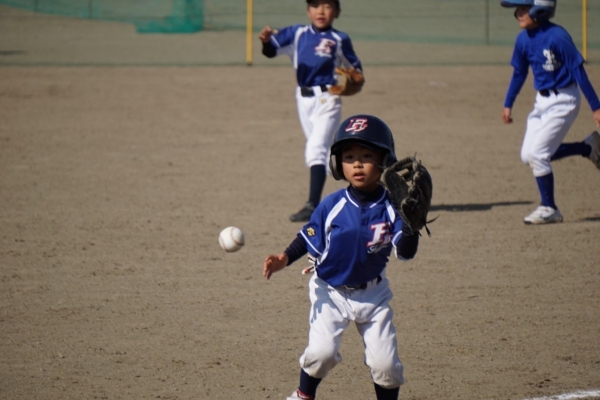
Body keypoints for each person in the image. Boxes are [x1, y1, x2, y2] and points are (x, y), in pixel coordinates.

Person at [262, 115, 420, 400]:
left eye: (366, 156)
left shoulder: (393, 207)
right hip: (330, 290)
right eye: (349, 157)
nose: (357, 164)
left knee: (386, 366)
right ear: (338, 164)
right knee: (321, 354)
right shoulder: (332, 204)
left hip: (373, 295)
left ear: (385, 160)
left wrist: (411, 226)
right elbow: (308, 236)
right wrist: (284, 258)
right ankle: (303, 395)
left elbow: (406, 253)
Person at [258, 0, 364, 222]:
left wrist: (356, 77)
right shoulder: (297, 34)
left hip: (328, 99)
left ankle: (312, 205)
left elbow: (356, 71)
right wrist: (266, 42)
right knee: (326, 158)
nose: (321, 11)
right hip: (303, 100)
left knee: (315, 150)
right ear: (308, 11)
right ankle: (374, 188)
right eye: (315, 5)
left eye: (327, 5)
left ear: (337, 12)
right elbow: (271, 51)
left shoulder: (339, 39)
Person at [500, 0, 600, 225]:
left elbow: (578, 70)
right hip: (542, 102)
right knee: (528, 156)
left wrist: (596, 106)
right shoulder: (523, 39)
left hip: (564, 100)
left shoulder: (557, 36)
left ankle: (549, 207)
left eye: (524, 9)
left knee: (538, 155)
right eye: (517, 10)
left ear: (540, 9)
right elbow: (519, 73)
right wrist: (508, 103)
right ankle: (587, 148)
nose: (518, 14)